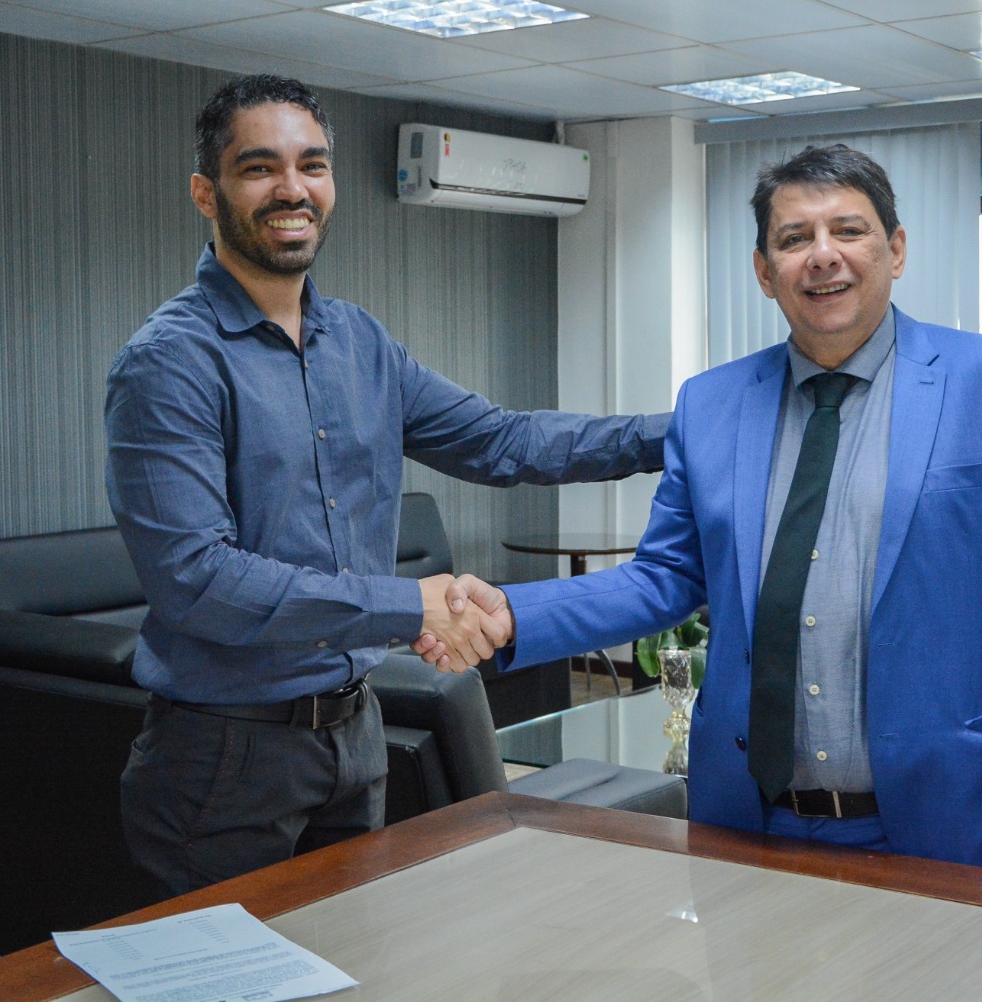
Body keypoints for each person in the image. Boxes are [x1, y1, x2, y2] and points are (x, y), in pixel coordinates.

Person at [436, 143, 982, 884]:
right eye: (795, 238)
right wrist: (513, 613)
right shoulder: (712, 403)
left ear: (895, 250)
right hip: (749, 820)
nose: (822, 256)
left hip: (949, 813)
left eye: (849, 231)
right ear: (765, 272)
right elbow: (664, 578)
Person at [104, 74, 669, 897]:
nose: (292, 188)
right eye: (260, 168)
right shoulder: (170, 362)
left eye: (313, 165)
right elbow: (198, 581)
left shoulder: (359, 343)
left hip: (355, 734)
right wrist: (412, 607)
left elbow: (502, 440)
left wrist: (684, 431)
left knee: (348, 966)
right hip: (221, 759)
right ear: (206, 192)